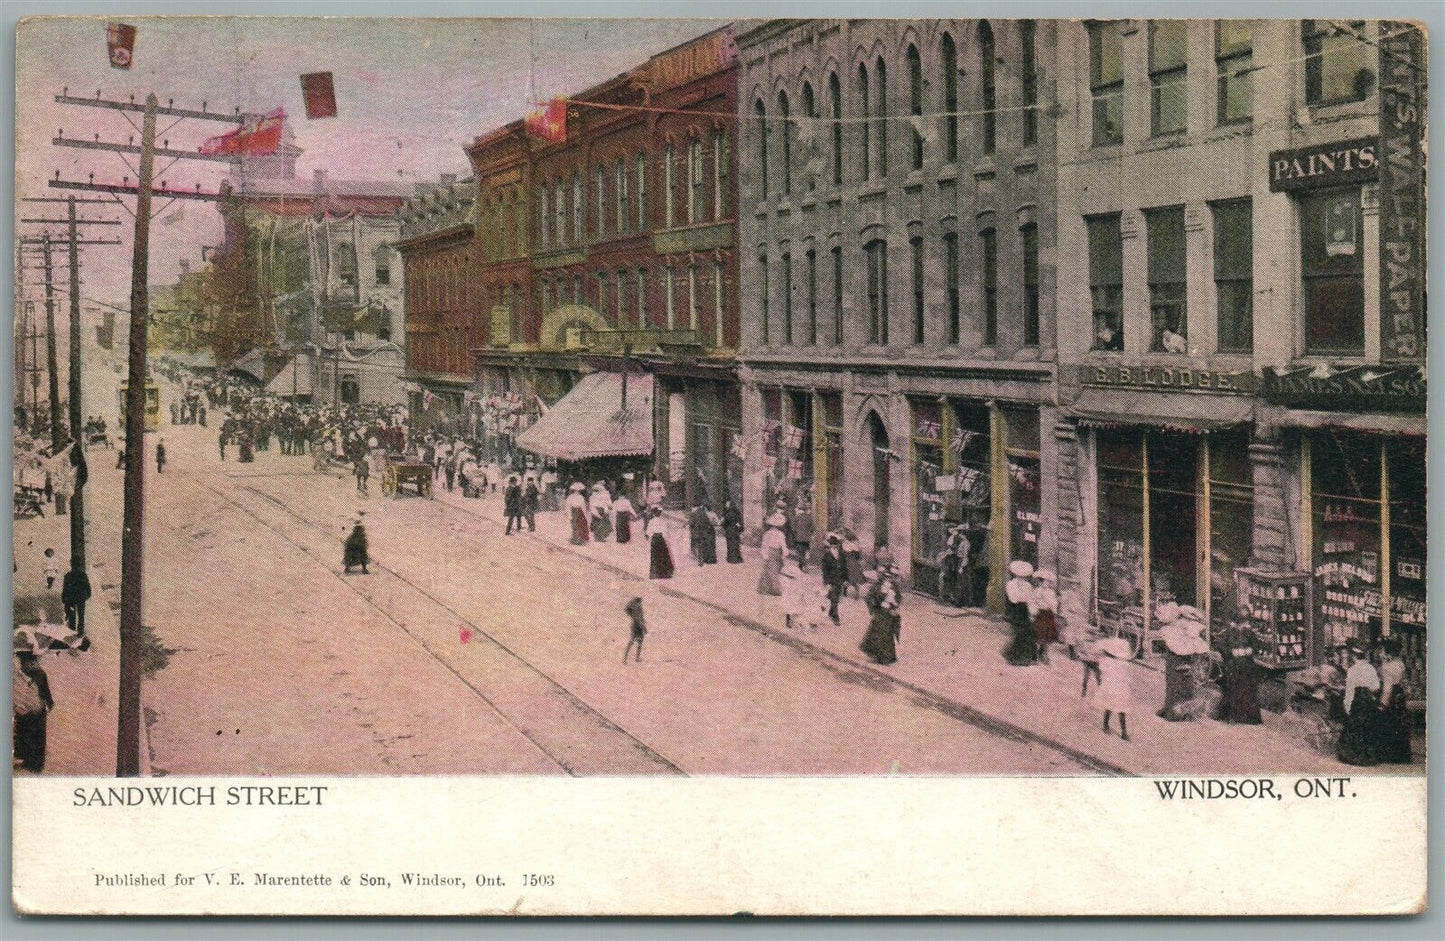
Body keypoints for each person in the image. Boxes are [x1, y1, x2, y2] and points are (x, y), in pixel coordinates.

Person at [1157, 603, 1209, 722]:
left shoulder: (1177, 628)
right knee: (1180, 683)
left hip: (1179, 659)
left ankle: (1176, 711)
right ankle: (1176, 712)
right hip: (1179, 659)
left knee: (1179, 684)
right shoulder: (1174, 629)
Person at [1337, 640, 1381, 766]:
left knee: (1355, 727)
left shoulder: (1352, 670)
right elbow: (1376, 686)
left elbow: (1349, 691)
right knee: (1368, 726)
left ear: (1353, 656)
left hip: (1358, 700)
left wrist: (1347, 706)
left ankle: (1355, 755)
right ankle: (1369, 756)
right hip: (1368, 700)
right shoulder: (1371, 668)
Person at [1215, 616, 1263, 725]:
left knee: (1247, 689)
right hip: (1233, 665)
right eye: (1240, 624)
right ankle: (1233, 716)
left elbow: (1257, 646)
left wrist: (1250, 651)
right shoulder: (1228, 633)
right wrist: (1232, 652)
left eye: (1243, 624)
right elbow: (1221, 647)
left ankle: (1247, 717)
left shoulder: (1250, 633)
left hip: (1247, 665)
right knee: (1232, 689)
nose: (1242, 626)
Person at [13, 652, 54, 773]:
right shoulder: (19, 674)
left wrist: (49, 704)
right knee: (27, 736)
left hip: (36, 710)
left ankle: (36, 764)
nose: (25, 664)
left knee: (35, 737)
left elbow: (45, 692)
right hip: (27, 711)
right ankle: (29, 762)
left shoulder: (38, 674)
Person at [1374, 638, 1412, 764]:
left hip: (1391, 697)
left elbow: (1387, 689)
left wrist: (1382, 704)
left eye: (1382, 651)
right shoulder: (1400, 664)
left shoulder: (1386, 668)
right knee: (1399, 723)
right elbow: (1405, 684)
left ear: (1388, 653)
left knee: (1388, 722)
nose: (1380, 654)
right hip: (1399, 695)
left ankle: (1388, 755)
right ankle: (1401, 754)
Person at [860, 555, 902, 665]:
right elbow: (869, 598)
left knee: (888, 635)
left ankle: (888, 657)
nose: (889, 579)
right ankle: (880, 656)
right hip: (880, 612)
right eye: (887, 577)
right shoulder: (878, 586)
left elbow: (899, 598)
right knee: (880, 634)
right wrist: (874, 607)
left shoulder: (895, 587)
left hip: (890, 612)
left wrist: (895, 605)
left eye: (892, 577)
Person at [1094, 637, 1135, 741]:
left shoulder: (1123, 662)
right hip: (1112, 688)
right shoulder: (1109, 662)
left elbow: (1127, 675)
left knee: (1121, 710)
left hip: (1121, 689)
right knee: (1110, 707)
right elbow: (1104, 670)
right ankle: (1106, 725)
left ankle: (1123, 732)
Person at [1002, 560, 1037, 666]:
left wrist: (1032, 612)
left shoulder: (1028, 586)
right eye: (1019, 575)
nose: (1021, 577)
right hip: (1015, 609)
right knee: (1019, 632)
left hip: (1025, 609)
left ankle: (1026, 657)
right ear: (1015, 574)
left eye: (1023, 576)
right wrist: (1022, 597)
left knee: (1028, 631)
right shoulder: (1011, 584)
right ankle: (1015, 657)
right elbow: (1013, 599)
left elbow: (1030, 599)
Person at [1031, 568, 1059, 663]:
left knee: (1047, 635)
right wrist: (1033, 612)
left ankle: (1043, 653)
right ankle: (1035, 655)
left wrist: (1054, 611)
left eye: (1048, 582)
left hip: (1048, 613)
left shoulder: (1051, 592)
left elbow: (1054, 603)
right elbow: (1033, 602)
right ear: (1040, 582)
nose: (1046, 584)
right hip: (1040, 613)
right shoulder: (1036, 591)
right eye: (1044, 582)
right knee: (1038, 634)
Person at [757, 512, 787, 596]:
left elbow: (764, 545)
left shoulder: (767, 534)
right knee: (774, 570)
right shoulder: (781, 534)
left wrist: (764, 554)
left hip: (769, 552)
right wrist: (784, 553)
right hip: (777, 552)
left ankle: (765, 588)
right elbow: (783, 545)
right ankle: (775, 589)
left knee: (767, 570)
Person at [61, 564, 91, 635]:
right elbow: (88, 588)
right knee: (81, 616)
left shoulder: (68, 575)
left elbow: (65, 589)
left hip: (72, 599)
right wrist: (86, 596)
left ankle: (73, 631)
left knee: (73, 616)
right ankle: (80, 632)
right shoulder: (83, 575)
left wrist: (64, 598)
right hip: (79, 599)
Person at [648, 510, 675, 580]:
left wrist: (652, 537)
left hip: (654, 539)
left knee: (655, 556)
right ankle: (665, 573)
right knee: (663, 555)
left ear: (654, 514)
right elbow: (665, 532)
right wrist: (665, 539)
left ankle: (655, 574)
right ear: (660, 514)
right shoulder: (663, 521)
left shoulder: (651, 521)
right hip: (661, 538)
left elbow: (648, 532)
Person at [791, 492, 815, 570]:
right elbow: (813, 528)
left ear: (799, 510)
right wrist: (809, 534)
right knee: (805, 552)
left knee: (800, 552)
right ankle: (802, 565)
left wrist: (795, 534)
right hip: (807, 539)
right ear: (805, 510)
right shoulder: (809, 518)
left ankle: (803, 564)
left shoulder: (796, 518)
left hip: (798, 538)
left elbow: (793, 528)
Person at [841, 528, 865, 598]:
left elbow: (857, 555)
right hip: (851, 561)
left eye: (844, 536)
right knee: (849, 576)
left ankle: (850, 591)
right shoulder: (850, 544)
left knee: (849, 576)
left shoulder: (848, 544)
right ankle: (848, 591)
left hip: (849, 561)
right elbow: (857, 555)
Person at [623, 597, 646, 663]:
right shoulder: (635, 607)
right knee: (633, 642)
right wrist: (644, 627)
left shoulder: (638, 608)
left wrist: (644, 627)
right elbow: (640, 619)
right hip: (636, 626)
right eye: (639, 602)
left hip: (638, 626)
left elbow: (641, 618)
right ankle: (625, 659)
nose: (640, 604)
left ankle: (635, 658)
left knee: (638, 642)